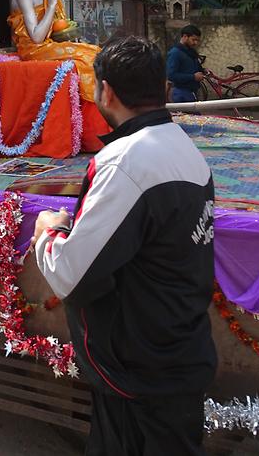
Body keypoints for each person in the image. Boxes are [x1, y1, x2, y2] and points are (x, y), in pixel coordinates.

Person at [32, 35, 216, 455]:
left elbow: (70, 275)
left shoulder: (128, 163)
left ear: (106, 92)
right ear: (165, 90)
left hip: (141, 369)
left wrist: (49, 229)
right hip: (177, 350)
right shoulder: (185, 149)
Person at [8, 0, 100, 101]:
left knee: (95, 51)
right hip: (32, 49)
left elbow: (57, 26)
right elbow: (36, 37)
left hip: (49, 44)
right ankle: (92, 102)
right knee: (87, 57)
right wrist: (51, 5)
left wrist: (69, 33)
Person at [166, 24, 205, 103]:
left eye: (197, 40)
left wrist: (203, 70)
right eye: (193, 40)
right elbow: (171, 75)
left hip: (191, 92)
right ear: (185, 37)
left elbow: (193, 67)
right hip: (180, 93)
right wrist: (193, 77)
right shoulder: (175, 53)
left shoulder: (190, 52)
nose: (195, 43)